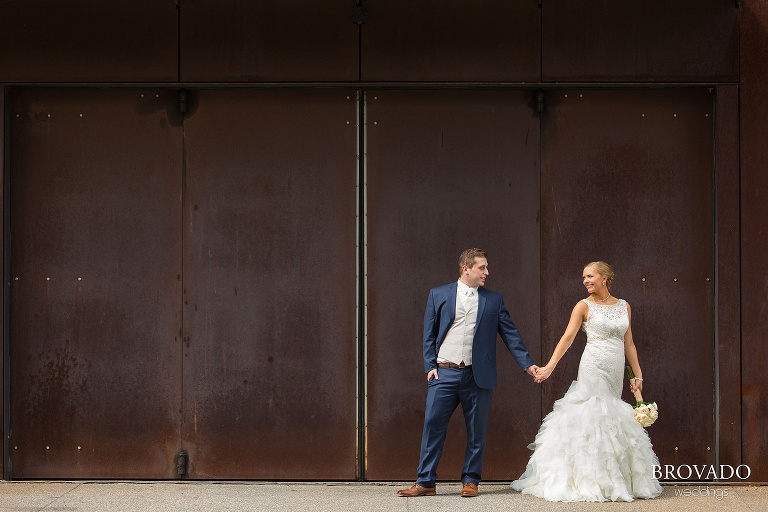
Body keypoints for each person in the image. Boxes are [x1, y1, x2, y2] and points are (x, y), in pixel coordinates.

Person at [510, 261, 662, 502]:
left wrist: (638, 374)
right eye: (584, 277)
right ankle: (590, 479)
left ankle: (614, 477)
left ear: (604, 278)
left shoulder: (624, 306)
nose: (585, 281)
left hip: (615, 368)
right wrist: (549, 367)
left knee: (611, 413)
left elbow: (629, 342)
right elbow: (568, 337)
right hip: (593, 364)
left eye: (590, 276)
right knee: (594, 412)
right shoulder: (583, 306)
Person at [397, 248, 540, 498]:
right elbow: (428, 335)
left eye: (486, 267)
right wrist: (430, 366)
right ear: (466, 268)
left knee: (477, 430)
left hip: (477, 375)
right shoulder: (438, 294)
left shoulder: (493, 299)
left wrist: (527, 365)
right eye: (482, 268)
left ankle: (471, 481)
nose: (487, 272)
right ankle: (426, 482)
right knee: (433, 426)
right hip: (445, 372)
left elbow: (510, 334)